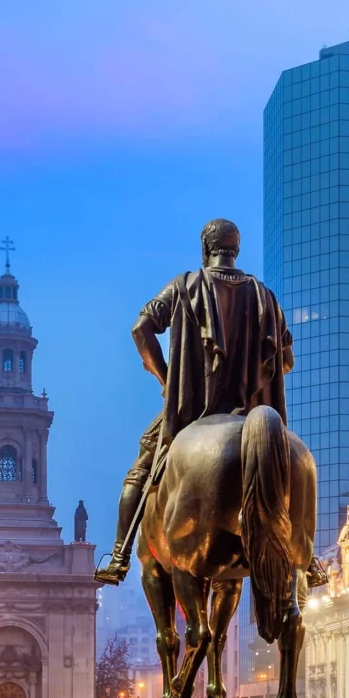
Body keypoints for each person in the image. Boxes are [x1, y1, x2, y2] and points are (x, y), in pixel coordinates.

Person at [95, 219, 293, 584]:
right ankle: (303, 556)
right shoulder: (265, 296)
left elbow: (140, 329)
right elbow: (284, 359)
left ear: (206, 248)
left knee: (139, 470)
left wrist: (168, 380)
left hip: (191, 411)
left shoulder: (184, 285)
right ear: (236, 250)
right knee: (285, 471)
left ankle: (119, 554)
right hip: (251, 412)